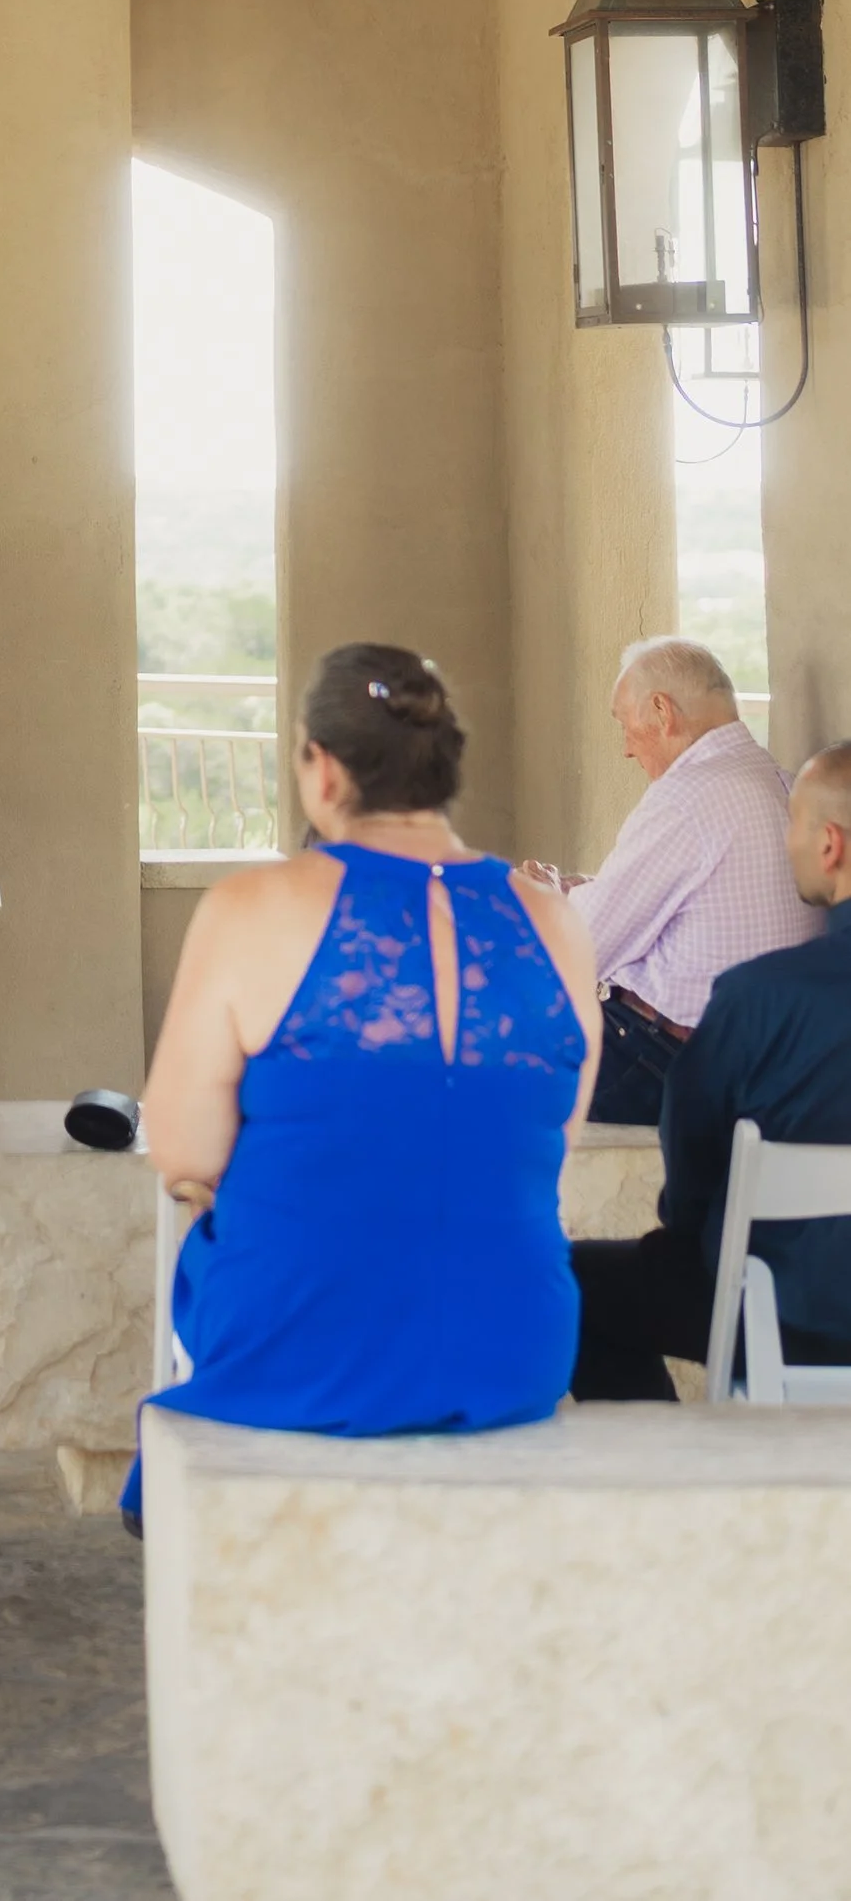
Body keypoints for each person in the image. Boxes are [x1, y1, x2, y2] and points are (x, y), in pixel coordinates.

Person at [135, 643, 598, 1507]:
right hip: (512, 1341)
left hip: (304, 1334)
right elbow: (550, 1138)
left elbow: (184, 1150)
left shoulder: (250, 907)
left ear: (322, 769)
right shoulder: (557, 923)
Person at [570, 736, 851, 1398]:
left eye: (791, 824)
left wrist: (693, 1226)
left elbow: (692, 1166)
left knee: (565, 1286)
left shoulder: (758, 997)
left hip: (781, 1313)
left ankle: (675, 1459)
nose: (785, 843)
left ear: (829, 844)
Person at [527, 636, 816, 1122]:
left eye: (625, 725)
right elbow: (692, 903)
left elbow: (583, 951)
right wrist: (581, 891)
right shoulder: (780, 782)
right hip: (759, 1064)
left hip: (665, 1061)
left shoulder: (689, 796)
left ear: (662, 711)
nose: (625, 749)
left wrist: (544, 900)